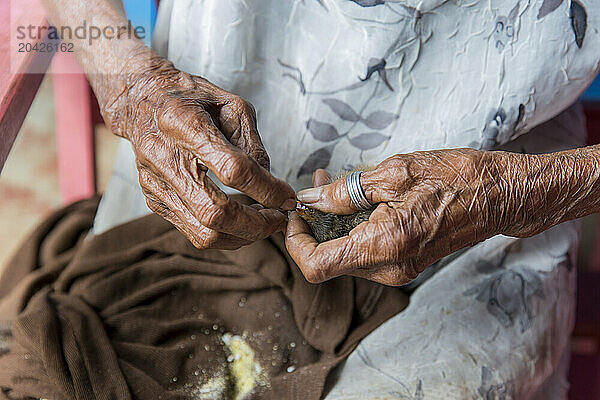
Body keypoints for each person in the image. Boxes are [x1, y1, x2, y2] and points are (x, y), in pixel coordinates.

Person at [5, 0, 599, 398]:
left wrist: (514, 194)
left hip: (506, 191)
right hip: (187, 135)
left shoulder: (509, 193)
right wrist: (125, 82)